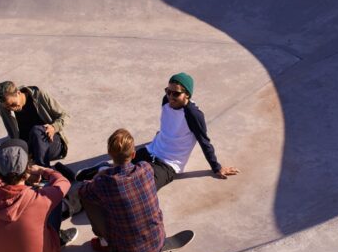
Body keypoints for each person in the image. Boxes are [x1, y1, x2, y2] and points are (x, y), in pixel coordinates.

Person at [79, 72, 239, 190]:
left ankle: (103, 170)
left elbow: (205, 142)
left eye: (176, 93)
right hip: (151, 151)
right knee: (118, 172)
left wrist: (216, 167)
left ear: (187, 95)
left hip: (168, 164)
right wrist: (160, 137)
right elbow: (168, 124)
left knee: (140, 189)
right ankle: (99, 172)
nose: (170, 96)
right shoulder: (165, 101)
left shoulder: (193, 114)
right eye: (167, 91)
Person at [0, 139, 77, 252]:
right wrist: (42, 171)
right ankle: (57, 237)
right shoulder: (40, 198)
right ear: (26, 170)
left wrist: (15, 177)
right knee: (54, 203)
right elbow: (64, 182)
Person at [78, 129, 165, 252]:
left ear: (109, 154)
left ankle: (103, 240)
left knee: (88, 197)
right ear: (133, 154)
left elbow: (83, 192)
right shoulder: (146, 168)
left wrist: (97, 176)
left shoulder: (105, 182)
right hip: (158, 240)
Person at [0, 81, 70, 168]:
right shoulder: (2, 108)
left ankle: (43, 170)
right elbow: (12, 134)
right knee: (5, 151)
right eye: (8, 107)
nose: (12, 109)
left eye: (13, 104)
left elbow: (66, 116)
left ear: (18, 93)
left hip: (50, 142)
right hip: (29, 148)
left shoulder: (39, 95)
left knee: (36, 131)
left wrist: (54, 127)